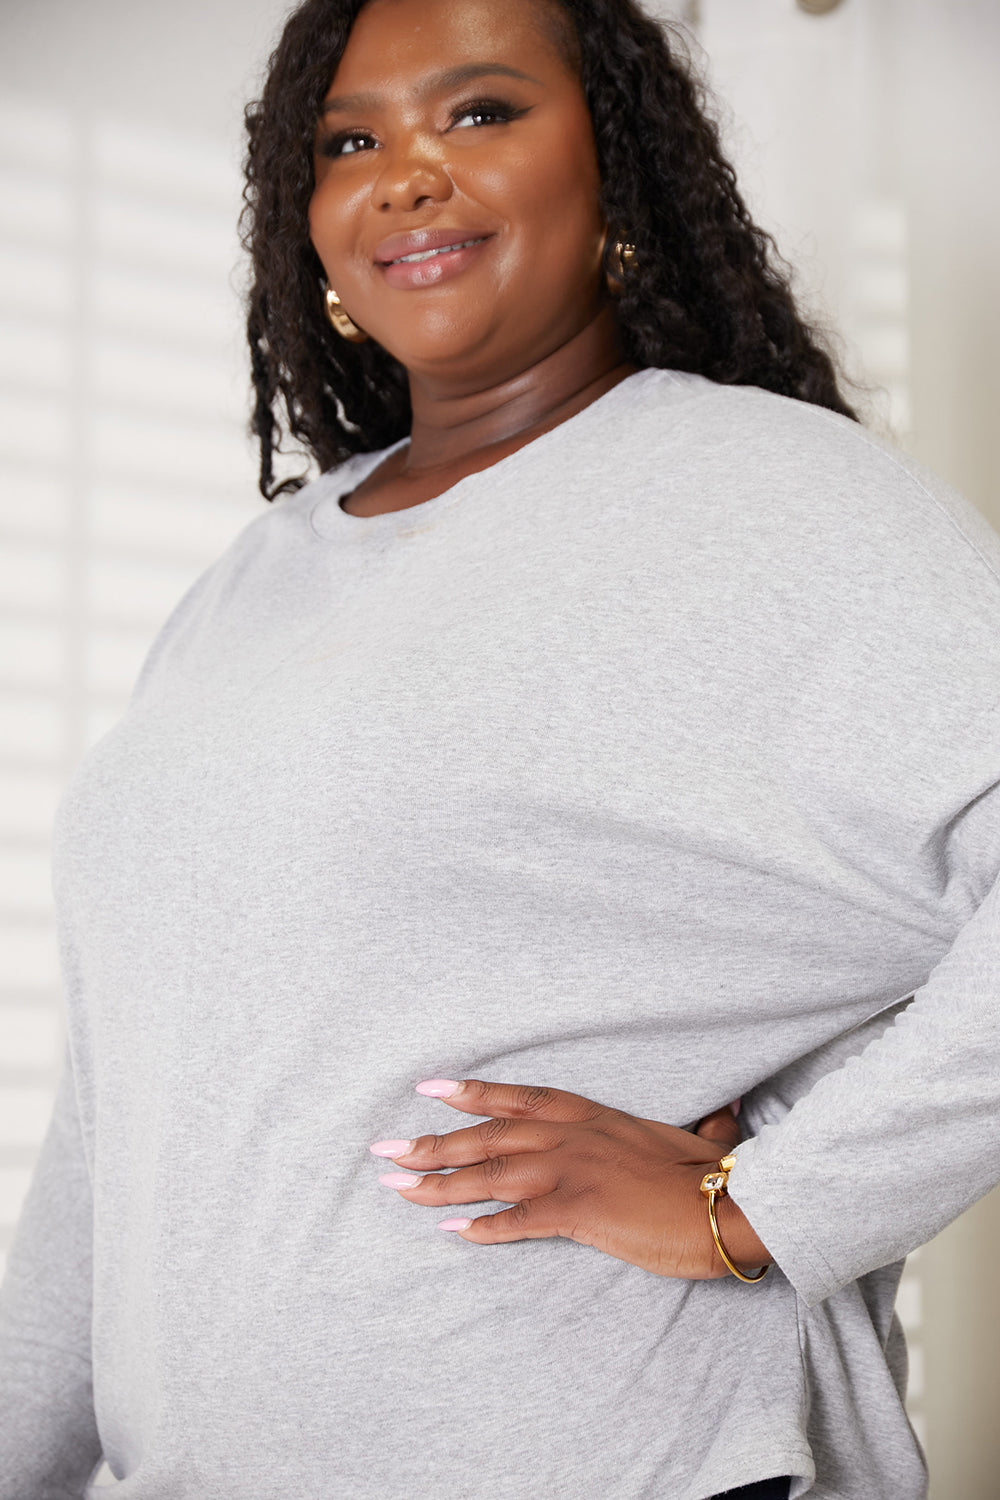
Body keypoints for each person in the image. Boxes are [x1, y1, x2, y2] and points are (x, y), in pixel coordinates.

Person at [1, 0, 998, 1495]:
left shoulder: (762, 497)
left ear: (618, 176)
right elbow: (122, 1114)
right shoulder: (253, 582)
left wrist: (763, 1205)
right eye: (351, 140)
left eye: (479, 112)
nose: (407, 170)